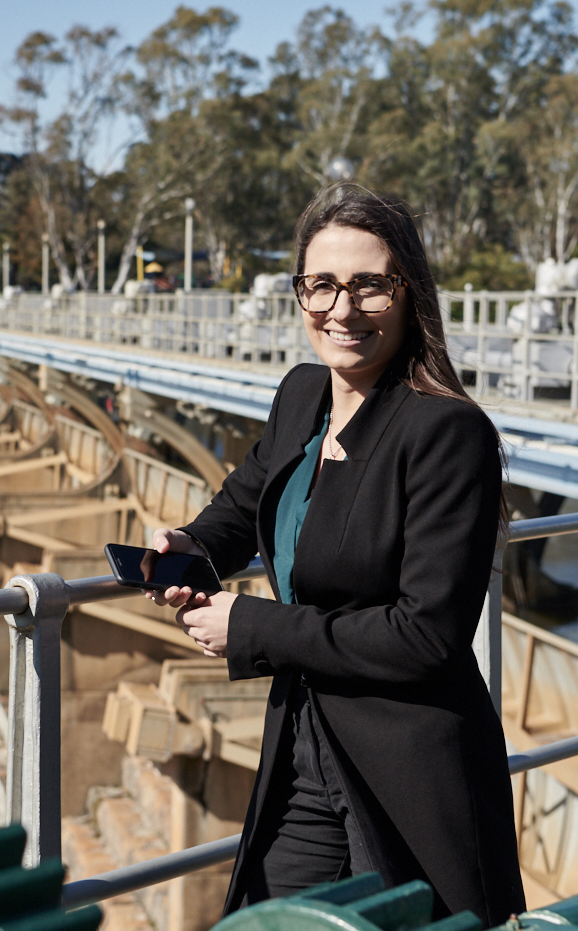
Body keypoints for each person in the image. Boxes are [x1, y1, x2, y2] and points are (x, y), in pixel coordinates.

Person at [146, 183, 524, 923]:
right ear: (300, 293)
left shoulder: (446, 433)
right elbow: (250, 495)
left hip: (406, 766)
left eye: (369, 286)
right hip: (305, 746)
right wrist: (193, 544)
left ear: (408, 292)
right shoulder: (301, 396)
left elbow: (427, 635)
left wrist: (249, 628)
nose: (342, 310)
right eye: (321, 285)